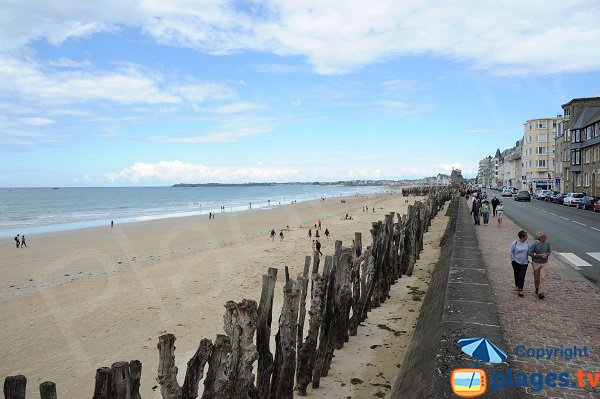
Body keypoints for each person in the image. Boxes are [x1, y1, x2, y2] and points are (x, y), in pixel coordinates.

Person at [529, 232, 551, 299]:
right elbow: (530, 253)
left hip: (544, 263)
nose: (545, 238)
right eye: (543, 237)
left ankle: (541, 292)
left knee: (542, 277)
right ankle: (537, 288)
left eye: (545, 237)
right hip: (536, 263)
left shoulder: (547, 244)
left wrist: (546, 255)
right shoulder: (534, 244)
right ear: (540, 238)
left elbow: (549, 251)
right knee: (537, 277)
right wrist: (539, 255)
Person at [509, 230, 530, 297]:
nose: (527, 237)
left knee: (522, 275)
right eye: (526, 236)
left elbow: (529, 251)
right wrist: (513, 260)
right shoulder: (515, 243)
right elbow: (511, 252)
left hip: (524, 263)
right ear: (522, 237)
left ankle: (520, 289)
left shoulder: (527, 243)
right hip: (516, 262)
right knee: (516, 274)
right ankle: (517, 285)